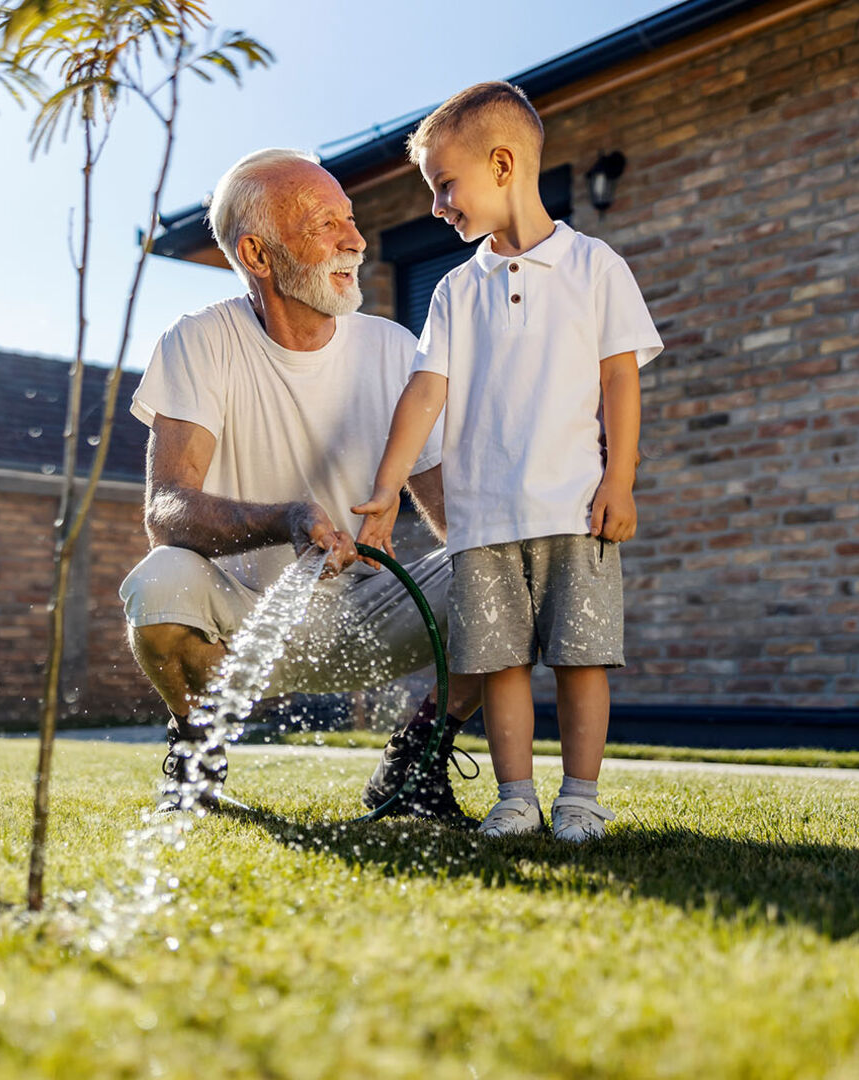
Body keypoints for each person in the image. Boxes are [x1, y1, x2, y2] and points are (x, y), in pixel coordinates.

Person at [119, 148, 482, 817]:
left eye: (350, 219)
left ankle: (417, 758)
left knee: (513, 566)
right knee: (158, 579)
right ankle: (197, 744)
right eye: (325, 225)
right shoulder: (200, 340)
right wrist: (287, 518)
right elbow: (166, 510)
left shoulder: (393, 349)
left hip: (368, 610)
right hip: (240, 624)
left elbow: (454, 516)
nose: (355, 240)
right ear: (258, 256)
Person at [353, 82, 663, 842]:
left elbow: (619, 379)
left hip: (572, 509)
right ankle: (516, 797)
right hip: (482, 521)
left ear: (501, 165)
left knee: (583, 660)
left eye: (443, 186)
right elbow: (427, 391)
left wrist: (618, 480)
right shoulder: (457, 291)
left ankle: (581, 798)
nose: (437, 207)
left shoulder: (594, 267)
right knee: (499, 668)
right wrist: (387, 486)